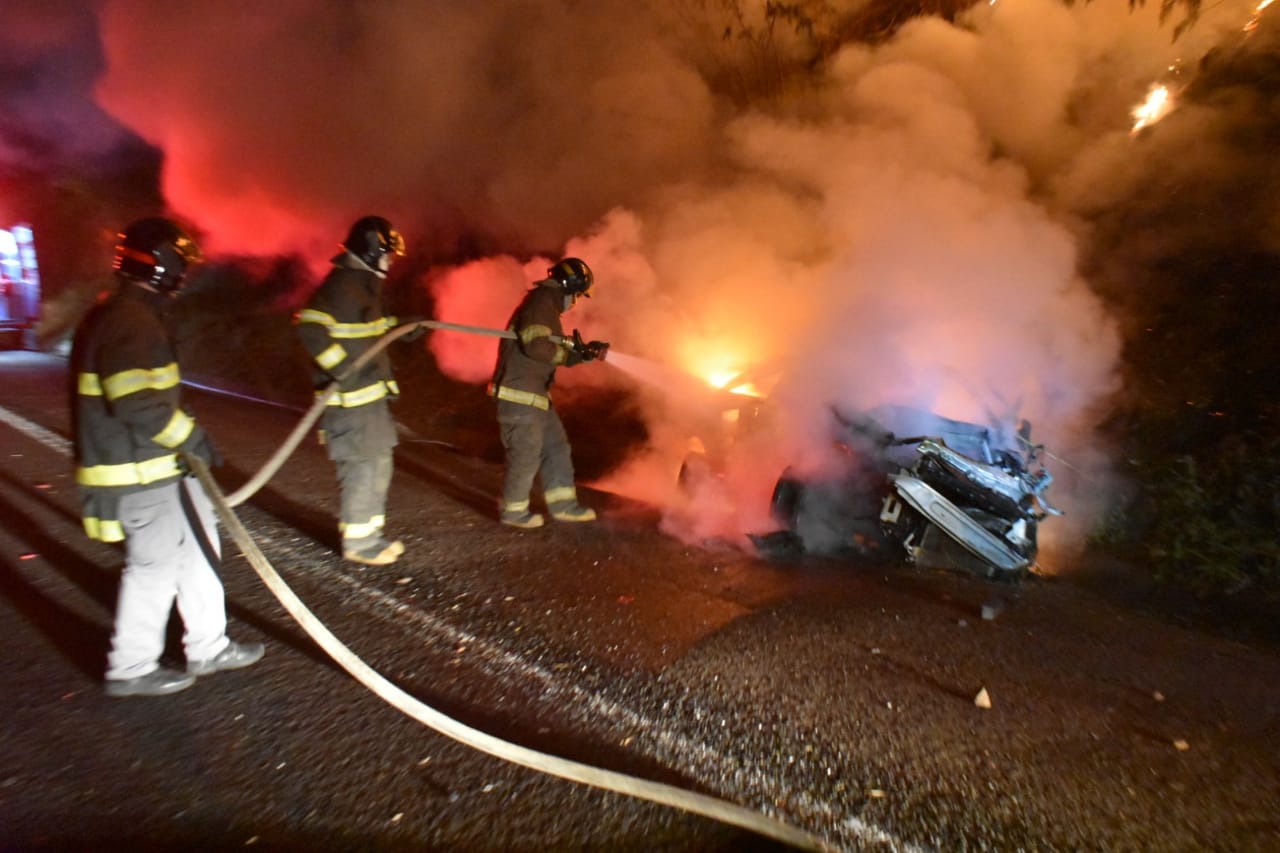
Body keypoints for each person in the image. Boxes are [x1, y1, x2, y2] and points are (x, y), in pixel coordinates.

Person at [70, 217, 265, 697]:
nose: (184, 273)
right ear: (160, 263)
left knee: (200, 550)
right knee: (154, 569)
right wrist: (190, 438)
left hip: (164, 467)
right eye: (181, 262)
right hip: (141, 473)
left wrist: (189, 440)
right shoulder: (129, 322)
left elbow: (155, 396)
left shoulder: (135, 315)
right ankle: (131, 667)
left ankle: (208, 646)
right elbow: (138, 404)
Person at [296, 215, 410, 565]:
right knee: (362, 469)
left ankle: (370, 535)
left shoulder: (362, 287)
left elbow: (370, 330)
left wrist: (404, 327)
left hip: (370, 401)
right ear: (373, 251)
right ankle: (358, 544)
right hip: (350, 403)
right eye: (388, 255)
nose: (391, 262)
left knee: (380, 463)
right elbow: (310, 327)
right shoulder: (342, 284)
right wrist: (344, 371)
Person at [489, 257, 609, 528]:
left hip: (536, 395)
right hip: (521, 394)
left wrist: (583, 353)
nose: (575, 302)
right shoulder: (542, 301)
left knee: (556, 447)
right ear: (570, 287)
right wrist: (569, 357)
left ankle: (564, 506)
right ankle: (514, 511)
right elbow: (537, 347)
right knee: (525, 452)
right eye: (577, 295)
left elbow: (550, 343)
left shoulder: (546, 305)